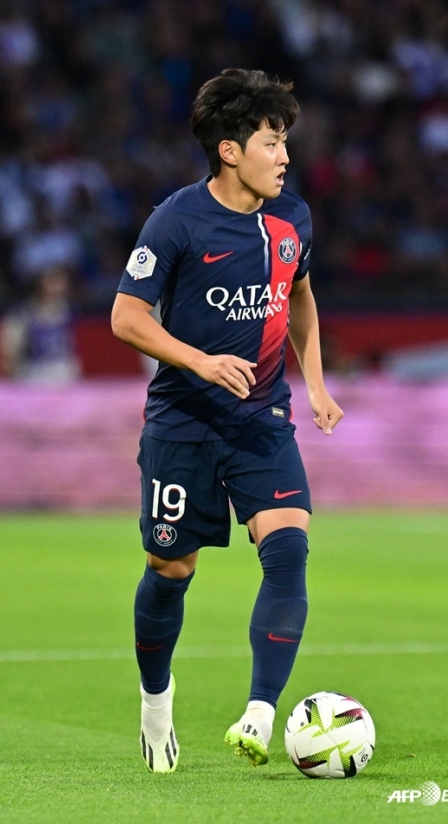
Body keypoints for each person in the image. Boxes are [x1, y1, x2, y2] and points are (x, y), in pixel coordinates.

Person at [111, 68, 343, 773]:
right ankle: (156, 702)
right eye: (273, 142)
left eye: (285, 141)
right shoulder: (176, 220)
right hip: (183, 423)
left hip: (261, 420)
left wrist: (316, 384)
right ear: (230, 151)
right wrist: (200, 362)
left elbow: (299, 297)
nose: (285, 156)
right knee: (169, 569)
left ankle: (260, 713)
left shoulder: (292, 218)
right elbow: (126, 317)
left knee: (289, 550)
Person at [0, 265, 81, 384]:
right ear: (38, 284)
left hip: (64, 377)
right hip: (33, 377)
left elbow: (69, 348)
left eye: (61, 281)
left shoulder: (65, 311)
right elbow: (8, 356)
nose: (59, 287)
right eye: (53, 281)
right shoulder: (21, 316)